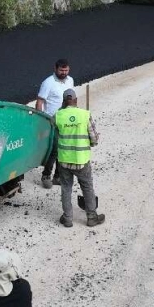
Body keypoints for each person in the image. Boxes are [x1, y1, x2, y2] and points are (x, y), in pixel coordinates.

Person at [54, 88, 104, 228]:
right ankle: (91, 217)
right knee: (87, 187)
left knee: (66, 188)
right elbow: (94, 139)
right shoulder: (85, 115)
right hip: (81, 160)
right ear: (76, 100)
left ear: (64, 102)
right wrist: (91, 143)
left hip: (64, 160)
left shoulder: (58, 116)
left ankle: (68, 218)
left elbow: (56, 137)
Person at [33, 59, 74, 189]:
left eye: (66, 70)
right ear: (55, 69)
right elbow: (39, 102)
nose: (64, 73)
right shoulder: (48, 83)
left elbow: (71, 99)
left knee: (64, 149)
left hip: (66, 120)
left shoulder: (70, 81)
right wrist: (40, 120)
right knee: (55, 150)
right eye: (61, 70)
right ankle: (46, 176)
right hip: (52, 121)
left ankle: (57, 176)